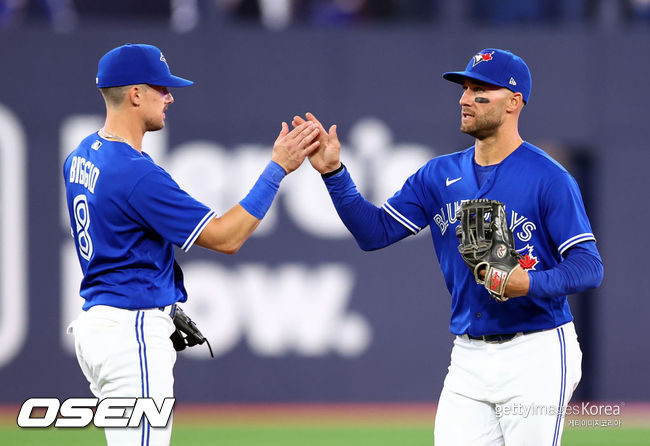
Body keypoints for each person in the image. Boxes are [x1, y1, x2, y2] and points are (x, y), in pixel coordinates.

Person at [294, 48, 603, 445]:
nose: (464, 98)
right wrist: (334, 173)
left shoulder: (549, 178)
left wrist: (527, 283)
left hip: (537, 350)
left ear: (514, 101)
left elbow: (589, 266)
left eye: (480, 90)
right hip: (469, 357)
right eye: (464, 88)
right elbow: (373, 233)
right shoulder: (438, 175)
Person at [63, 43, 319, 446]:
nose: (170, 97)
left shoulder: (80, 156)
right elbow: (225, 236)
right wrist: (277, 170)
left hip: (98, 326)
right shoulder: (134, 175)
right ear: (135, 94)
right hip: (131, 331)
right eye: (161, 88)